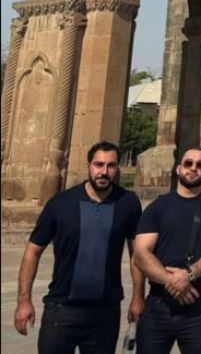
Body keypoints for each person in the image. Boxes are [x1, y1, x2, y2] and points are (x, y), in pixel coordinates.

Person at [13, 141, 144, 354]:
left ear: (117, 168)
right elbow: (32, 251)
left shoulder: (127, 203)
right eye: (98, 164)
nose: (104, 172)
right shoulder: (61, 203)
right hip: (62, 308)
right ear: (88, 165)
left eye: (111, 165)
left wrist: (138, 298)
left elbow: (136, 255)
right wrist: (23, 301)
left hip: (104, 312)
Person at [133, 146, 201, 353]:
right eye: (188, 163)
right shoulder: (158, 207)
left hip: (198, 303)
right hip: (159, 302)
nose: (193, 168)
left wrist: (188, 274)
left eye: (200, 165)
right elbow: (141, 253)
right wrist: (172, 281)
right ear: (178, 168)